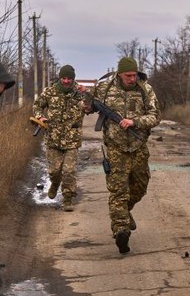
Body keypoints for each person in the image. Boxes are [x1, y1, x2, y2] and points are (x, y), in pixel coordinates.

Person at [88, 57, 160, 254]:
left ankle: (124, 214)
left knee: (140, 187)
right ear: (119, 74)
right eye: (128, 75)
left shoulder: (145, 89)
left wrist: (134, 121)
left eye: (134, 74)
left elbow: (155, 117)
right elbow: (87, 108)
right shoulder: (104, 89)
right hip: (115, 148)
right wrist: (85, 100)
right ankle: (121, 230)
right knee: (118, 191)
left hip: (138, 147)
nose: (132, 78)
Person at [32, 65, 86, 211]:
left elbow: (91, 106)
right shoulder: (50, 92)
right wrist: (40, 116)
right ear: (60, 78)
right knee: (54, 171)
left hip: (72, 139)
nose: (67, 81)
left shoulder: (80, 93)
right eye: (64, 78)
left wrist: (87, 93)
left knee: (69, 171)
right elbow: (37, 105)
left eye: (69, 78)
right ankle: (55, 183)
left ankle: (68, 199)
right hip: (53, 138)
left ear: (73, 79)